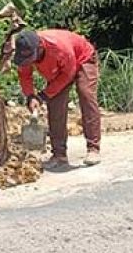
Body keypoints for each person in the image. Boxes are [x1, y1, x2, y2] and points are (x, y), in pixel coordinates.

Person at [13, 29, 102, 170]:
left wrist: (43, 96)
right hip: (60, 69)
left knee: (86, 95)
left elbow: (68, 74)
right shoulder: (25, 52)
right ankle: (59, 155)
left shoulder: (59, 48)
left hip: (82, 59)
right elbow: (25, 76)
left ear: (40, 47)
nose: (29, 61)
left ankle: (93, 148)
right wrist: (30, 96)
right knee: (55, 106)